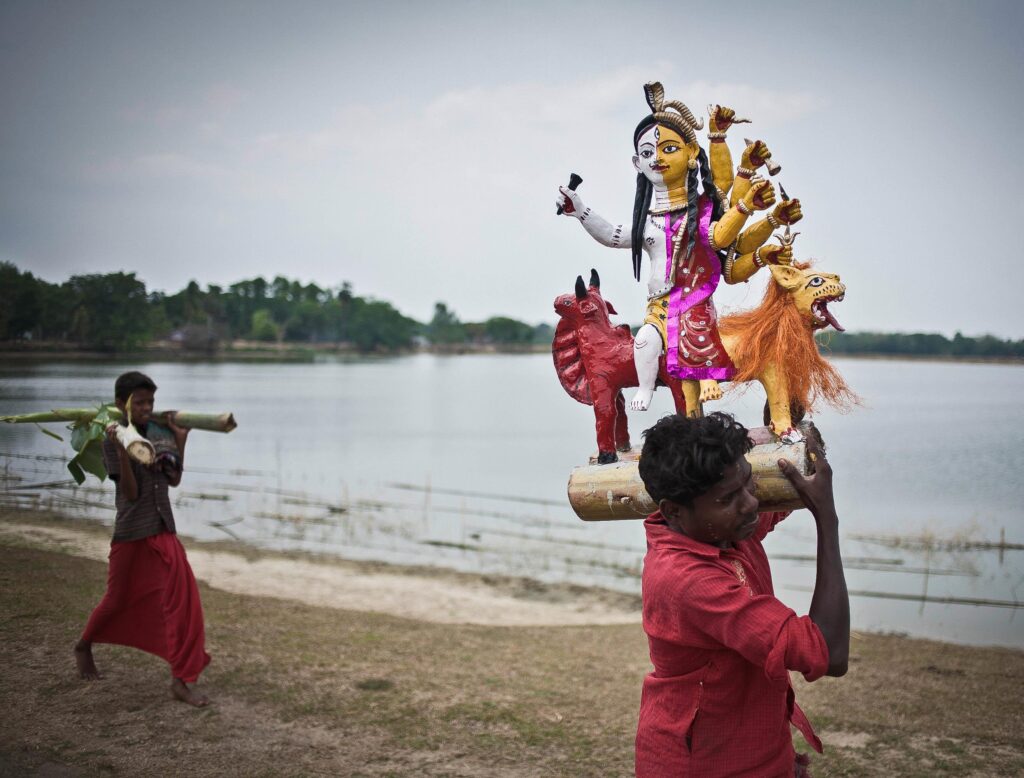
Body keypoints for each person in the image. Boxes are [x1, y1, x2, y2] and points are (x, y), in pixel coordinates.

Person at [556, 82, 801, 416]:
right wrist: (580, 210)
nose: (656, 158)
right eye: (647, 153)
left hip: (693, 302)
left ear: (691, 154)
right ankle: (645, 388)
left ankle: (706, 386)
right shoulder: (647, 221)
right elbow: (613, 235)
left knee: (692, 349)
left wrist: (748, 206)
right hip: (658, 307)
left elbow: (719, 239)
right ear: (636, 163)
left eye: (668, 149)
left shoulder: (699, 213)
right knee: (643, 342)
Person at [635, 412, 849, 777]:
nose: (750, 503)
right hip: (704, 764)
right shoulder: (689, 581)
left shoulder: (717, 529)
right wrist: (827, 520)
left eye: (749, 483)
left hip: (754, 747)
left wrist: (793, 437)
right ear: (673, 510)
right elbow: (829, 654)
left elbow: (774, 504)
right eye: (728, 498)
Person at [73, 370, 211, 707]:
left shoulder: (158, 433)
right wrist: (123, 448)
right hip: (132, 532)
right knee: (117, 600)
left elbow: (173, 478)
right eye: (141, 402)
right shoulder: (111, 437)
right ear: (122, 404)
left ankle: (180, 681)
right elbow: (131, 495)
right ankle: (84, 644)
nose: (147, 407)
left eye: (151, 401)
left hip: (164, 529)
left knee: (183, 603)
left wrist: (181, 439)